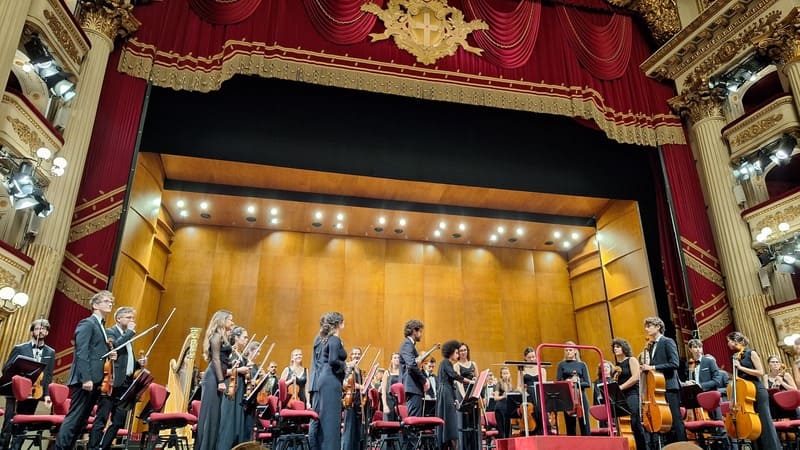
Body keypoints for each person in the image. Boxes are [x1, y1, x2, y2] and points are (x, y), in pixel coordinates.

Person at [54, 290, 118, 450]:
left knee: (81, 421)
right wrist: (86, 378)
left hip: (96, 381)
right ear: (95, 305)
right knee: (74, 419)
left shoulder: (102, 326)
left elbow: (96, 353)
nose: (110, 303)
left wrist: (110, 355)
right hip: (86, 380)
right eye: (106, 301)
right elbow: (81, 352)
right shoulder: (88, 323)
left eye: (111, 301)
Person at [87, 307, 147, 450]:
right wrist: (130, 333)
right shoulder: (110, 332)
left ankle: (104, 446)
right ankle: (93, 447)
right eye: (129, 317)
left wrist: (139, 363)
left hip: (125, 384)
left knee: (119, 421)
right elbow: (114, 348)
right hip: (111, 383)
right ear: (119, 319)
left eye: (133, 318)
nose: (132, 321)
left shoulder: (128, 336)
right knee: (102, 418)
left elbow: (125, 360)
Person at [1, 319, 55, 449]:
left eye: (44, 329)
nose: (41, 331)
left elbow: (48, 375)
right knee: (9, 423)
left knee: (23, 424)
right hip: (15, 392)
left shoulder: (50, 352)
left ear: (47, 332)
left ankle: (17, 448)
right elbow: (6, 368)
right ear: (32, 332)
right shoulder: (20, 348)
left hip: (34, 392)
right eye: (37, 328)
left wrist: (47, 395)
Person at [727, 331, 781, 450]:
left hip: (757, 390)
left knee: (764, 421)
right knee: (752, 425)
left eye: (729, 341)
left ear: (736, 341)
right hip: (743, 392)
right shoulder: (734, 357)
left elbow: (760, 372)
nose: (728, 344)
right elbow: (737, 379)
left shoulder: (751, 353)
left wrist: (741, 367)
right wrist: (733, 398)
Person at [639, 316, 686, 444]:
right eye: (646, 326)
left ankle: (683, 446)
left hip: (670, 386)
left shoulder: (667, 341)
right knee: (666, 423)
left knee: (676, 421)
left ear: (658, 327)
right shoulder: (652, 346)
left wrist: (652, 367)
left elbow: (675, 363)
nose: (646, 329)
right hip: (658, 388)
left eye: (649, 326)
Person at [194, 310, 235, 450]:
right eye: (230, 320)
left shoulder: (224, 337)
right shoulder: (216, 337)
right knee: (210, 416)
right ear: (222, 321)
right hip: (212, 378)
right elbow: (216, 359)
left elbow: (224, 359)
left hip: (217, 376)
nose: (232, 322)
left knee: (215, 416)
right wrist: (221, 380)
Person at [309, 312, 348, 450]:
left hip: (325, 379)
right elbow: (332, 360)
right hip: (330, 380)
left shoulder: (325, 339)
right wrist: (345, 366)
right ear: (339, 323)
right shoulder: (334, 339)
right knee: (331, 418)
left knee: (326, 417)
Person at [217, 326, 251, 450]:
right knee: (228, 423)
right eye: (244, 337)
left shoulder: (240, 354)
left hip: (239, 390)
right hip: (230, 391)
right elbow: (222, 372)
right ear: (236, 337)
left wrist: (247, 373)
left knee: (237, 425)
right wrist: (239, 370)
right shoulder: (229, 352)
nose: (247, 340)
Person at [611, 338, 647, 450]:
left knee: (635, 422)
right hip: (621, 397)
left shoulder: (631, 360)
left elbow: (635, 377)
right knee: (624, 425)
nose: (615, 349)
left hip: (632, 394)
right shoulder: (616, 365)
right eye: (614, 347)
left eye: (618, 346)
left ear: (624, 348)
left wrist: (620, 387)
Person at [436, 340, 471, 450]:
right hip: (445, 393)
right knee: (450, 420)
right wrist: (469, 381)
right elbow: (453, 375)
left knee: (450, 420)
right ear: (451, 353)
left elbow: (451, 382)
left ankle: (448, 442)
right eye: (456, 352)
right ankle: (448, 442)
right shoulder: (445, 362)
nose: (458, 355)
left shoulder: (447, 364)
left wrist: (455, 398)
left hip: (447, 392)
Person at [683, 338, 723, 420]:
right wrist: (688, 382)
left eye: (700, 347)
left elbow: (717, 380)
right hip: (696, 398)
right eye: (695, 347)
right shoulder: (688, 364)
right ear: (690, 349)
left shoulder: (709, 361)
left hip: (710, 396)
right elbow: (688, 378)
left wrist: (701, 386)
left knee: (717, 422)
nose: (698, 349)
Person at [555, 342, 590, 436]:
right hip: (568, 397)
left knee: (585, 424)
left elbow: (587, 383)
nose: (568, 352)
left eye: (570, 350)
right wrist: (568, 381)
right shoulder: (561, 365)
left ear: (575, 351)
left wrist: (577, 382)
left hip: (581, 396)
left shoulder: (582, 364)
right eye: (566, 350)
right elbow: (558, 382)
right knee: (570, 426)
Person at [399, 319, 429, 418]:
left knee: (415, 420)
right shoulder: (407, 344)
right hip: (412, 387)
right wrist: (424, 380)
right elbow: (411, 365)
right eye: (420, 331)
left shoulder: (411, 345)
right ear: (414, 331)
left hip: (414, 387)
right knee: (413, 420)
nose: (421, 334)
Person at [519, 346, 546, 435]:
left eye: (533, 357)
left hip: (539, 395)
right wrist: (524, 392)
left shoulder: (542, 369)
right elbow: (519, 386)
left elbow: (544, 385)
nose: (532, 359)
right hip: (528, 396)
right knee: (531, 415)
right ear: (525, 359)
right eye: (529, 357)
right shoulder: (522, 370)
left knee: (540, 414)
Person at [341, 346, 364, 450]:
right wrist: (359, 386)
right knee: (349, 429)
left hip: (358, 401)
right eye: (354, 354)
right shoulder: (348, 368)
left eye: (358, 354)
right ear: (350, 356)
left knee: (357, 431)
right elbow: (345, 383)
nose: (357, 356)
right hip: (350, 401)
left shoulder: (359, 370)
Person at [492, 366, 513, 439]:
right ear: (501, 375)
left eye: (507, 373)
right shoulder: (499, 384)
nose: (506, 375)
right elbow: (495, 398)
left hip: (507, 409)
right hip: (500, 408)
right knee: (502, 431)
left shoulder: (510, 385)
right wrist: (503, 396)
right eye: (504, 373)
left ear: (509, 374)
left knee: (508, 430)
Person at [381, 352, 401, 420]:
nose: (397, 359)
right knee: (388, 424)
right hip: (389, 401)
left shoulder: (403, 373)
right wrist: (384, 405)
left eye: (398, 358)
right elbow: (383, 390)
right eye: (395, 358)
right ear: (391, 360)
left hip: (399, 401)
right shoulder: (387, 372)